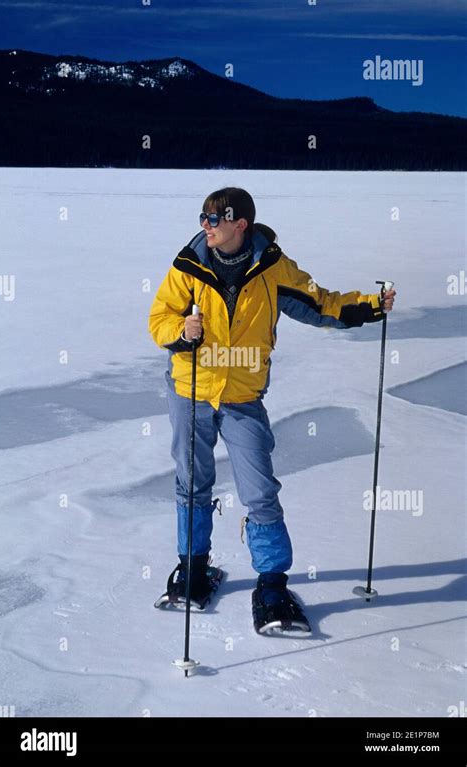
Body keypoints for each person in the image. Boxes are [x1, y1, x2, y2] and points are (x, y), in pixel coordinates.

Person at [148, 187, 396, 618]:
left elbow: (321, 303)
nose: (204, 225)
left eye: (214, 218)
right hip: (190, 391)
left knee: (260, 492)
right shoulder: (187, 265)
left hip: (242, 398)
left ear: (239, 223)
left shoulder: (273, 268)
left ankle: (272, 585)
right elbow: (158, 319)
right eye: (202, 217)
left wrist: (370, 305)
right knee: (191, 483)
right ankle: (192, 569)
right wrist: (180, 330)